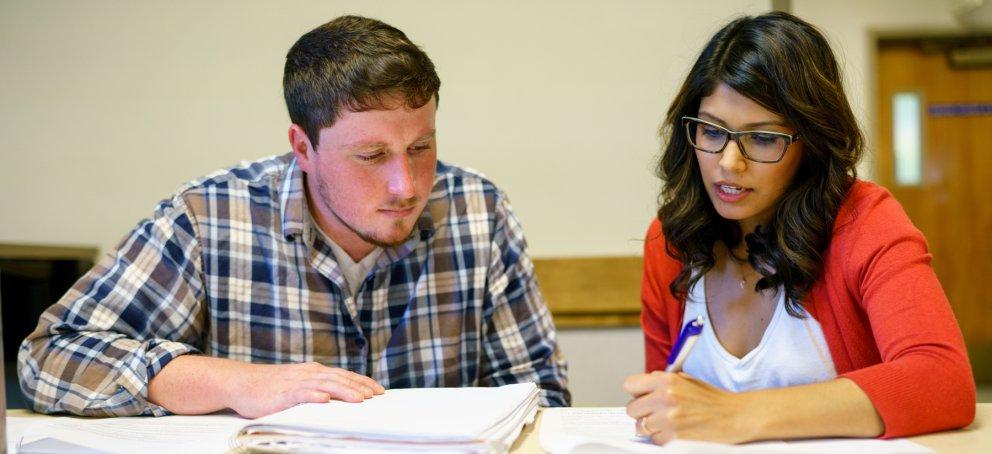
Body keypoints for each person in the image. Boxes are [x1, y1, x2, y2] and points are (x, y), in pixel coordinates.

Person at [18, 15, 569, 417]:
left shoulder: (478, 210)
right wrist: (233, 382)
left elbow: (539, 393)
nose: (406, 185)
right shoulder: (211, 216)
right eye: (372, 156)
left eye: (421, 147)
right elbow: (47, 359)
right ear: (303, 149)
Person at [623, 12, 974, 444]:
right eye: (712, 132)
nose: (729, 163)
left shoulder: (865, 222)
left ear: (812, 142)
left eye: (764, 138)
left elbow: (943, 382)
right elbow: (664, 407)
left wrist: (735, 416)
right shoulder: (670, 239)